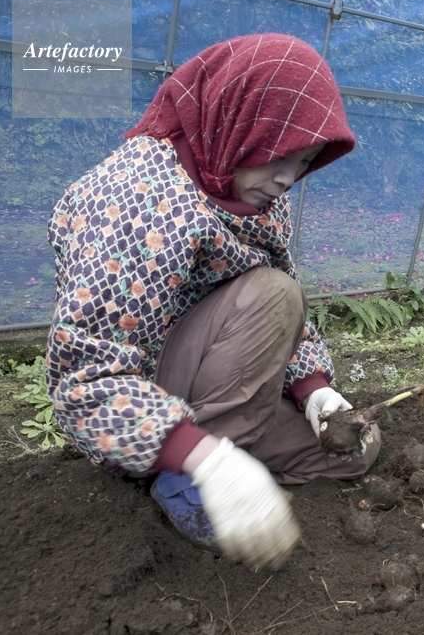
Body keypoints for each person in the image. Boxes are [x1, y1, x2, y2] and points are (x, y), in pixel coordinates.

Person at [45, 33, 378, 569]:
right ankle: (187, 471)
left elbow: (271, 318)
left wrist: (313, 389)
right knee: (275, 294)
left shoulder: (250, 190)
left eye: (304, 161)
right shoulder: (139, 200)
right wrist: (205, 458)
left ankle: (222, 457)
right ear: (239, 123)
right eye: (280, 155)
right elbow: (84, 380)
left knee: (356, 446)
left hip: (215, 394)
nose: (288, 179)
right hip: (140, 403)